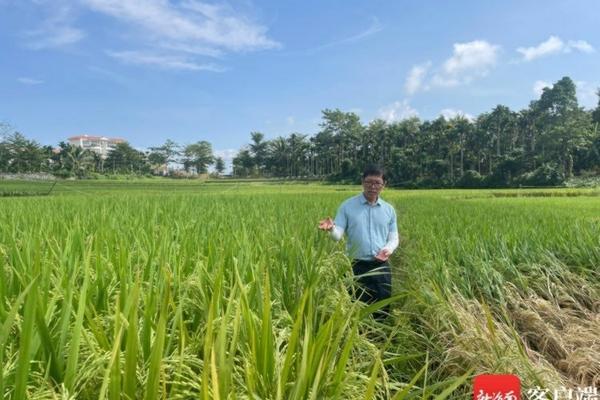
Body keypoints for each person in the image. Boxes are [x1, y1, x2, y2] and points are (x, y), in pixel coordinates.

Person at [318, 165, 399, 319]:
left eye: (377, 183)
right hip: (356, 266)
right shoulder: (347, 206)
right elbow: (338, 235)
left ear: (384, 185)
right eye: (369, 182)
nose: (372, 187)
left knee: (383, 306)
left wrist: (388, 249)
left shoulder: (389, 210)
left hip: (381, 265)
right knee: (357, 307)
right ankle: (358, 339)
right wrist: (331, 229)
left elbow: (394, 238)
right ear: (362, 182)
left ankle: (380, 339)